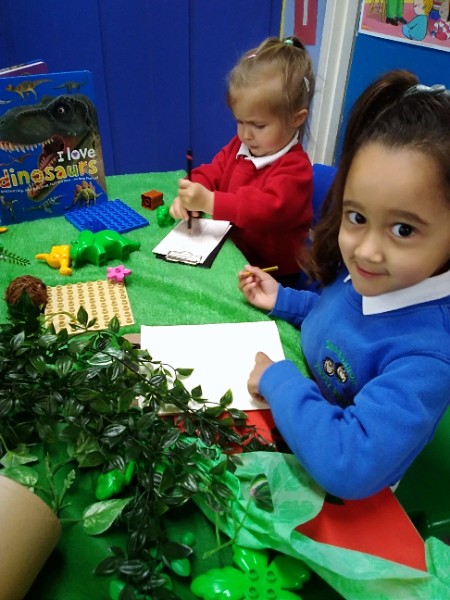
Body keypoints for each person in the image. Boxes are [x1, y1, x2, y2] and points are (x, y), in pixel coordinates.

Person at [238, 70, 450, 500]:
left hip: (343, 496)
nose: (367, 251)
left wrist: (279, 381)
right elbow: (334, 316)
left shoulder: (428, 354)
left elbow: (349, 462)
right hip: (297, 427)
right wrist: (283, 299)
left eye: (404, 230)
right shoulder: (377, 278)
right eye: (357, 217)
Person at [170, 36, 315, 287]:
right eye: (240, 121)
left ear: (296, 119)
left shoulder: (296, 169)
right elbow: (213, 171)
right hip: (232, 254)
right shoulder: (241, 146)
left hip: (274, 274)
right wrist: (193, 190)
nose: (246, 134)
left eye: (258, 125)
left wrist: (210, 201)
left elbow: (265, 209)